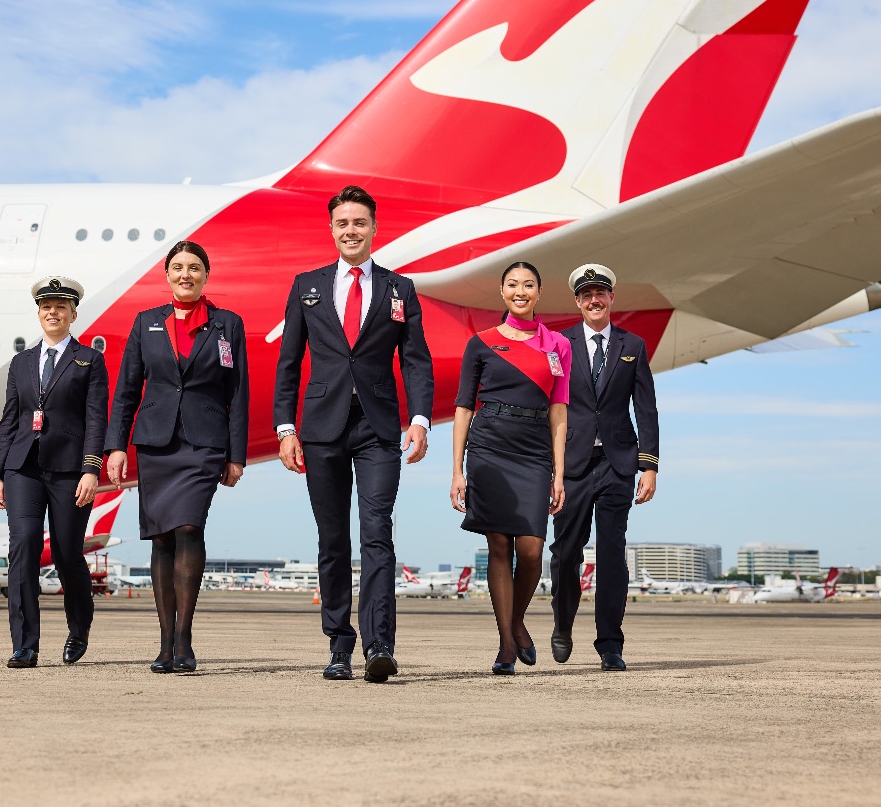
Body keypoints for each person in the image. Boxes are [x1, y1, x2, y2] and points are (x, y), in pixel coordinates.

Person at [273, 185, 434, 683]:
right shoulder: (307, 285)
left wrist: (421, 419)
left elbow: (415, 360)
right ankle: (340, 645)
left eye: (359, 223)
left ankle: (380, 644)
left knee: (377, 532)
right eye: (342, 223)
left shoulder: (398, 289)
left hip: (378, 427)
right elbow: (289, 363)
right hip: (321, 428)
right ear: (332, 229)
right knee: (332, 540)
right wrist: (285, 427)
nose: (351, 231)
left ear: (374, 228)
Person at [105, 241, 248, 674]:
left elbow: (237, 393)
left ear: (207, 274)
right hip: (156, 443)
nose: (186, 274)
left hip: (204, 443)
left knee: (188, 525)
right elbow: (127, 391)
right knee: (162, 538)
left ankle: (184, 639)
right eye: (178, 268)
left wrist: (235, 455)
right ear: (167, 275)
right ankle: (165, 642)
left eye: (195, 268)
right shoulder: (146, 323)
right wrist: (115, 447)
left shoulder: (228, 324)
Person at [450, 261, 570, 675]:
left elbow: (559, 411)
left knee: (532, 550)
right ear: (502, 292)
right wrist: (457, 471)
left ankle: (516, 620)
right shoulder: (481, 343)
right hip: (489, 446)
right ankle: (505, 644)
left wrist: (559, 472)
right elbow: (464, 407)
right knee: (498, 545)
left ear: (540, 291)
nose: (521, 291)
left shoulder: (558, 346)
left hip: (534, 450)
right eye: (513, 285)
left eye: (529, 285)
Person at [0, 276, 108, 669]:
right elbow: (10, 420)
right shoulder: (21, 363)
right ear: (38, 313)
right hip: (23, 467)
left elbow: (96, 420)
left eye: (60, 307)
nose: (52, 312)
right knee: (22, 546)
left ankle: (79, 626)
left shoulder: (89, 360)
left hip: (70, 470)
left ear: (73, 314)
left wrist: (92, 470)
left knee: (65, 553)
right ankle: (25, 644)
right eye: (46, 307)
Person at [550, 264, 659, 671]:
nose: (594, 300)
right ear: (577, 302)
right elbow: (551, 407)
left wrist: (649, 466)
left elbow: (645, 407)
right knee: (565, 553)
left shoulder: (633, 345)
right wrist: (551, 468)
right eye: (586, 295)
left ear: (612, 298)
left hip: (618, 464)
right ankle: (563, 624)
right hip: (572, 465)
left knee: (612, 554)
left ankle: (610, 645)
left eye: (601, 293)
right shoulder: (559, 344)